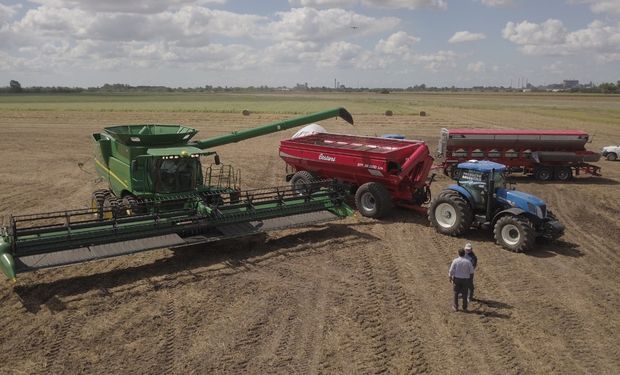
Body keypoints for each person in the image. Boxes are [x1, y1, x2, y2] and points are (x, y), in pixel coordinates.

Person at [448, 248, 475, 312]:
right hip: (465, 280)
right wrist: (470, 279)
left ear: (458, 253)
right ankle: (464, 307)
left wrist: (450, 277)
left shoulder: (455, 261)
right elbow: (472, 272)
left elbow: (451, 270)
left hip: (457, 279)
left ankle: (456, 307)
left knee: (456, 293)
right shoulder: (468, 262)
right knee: (465, 294)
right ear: (464, 254)